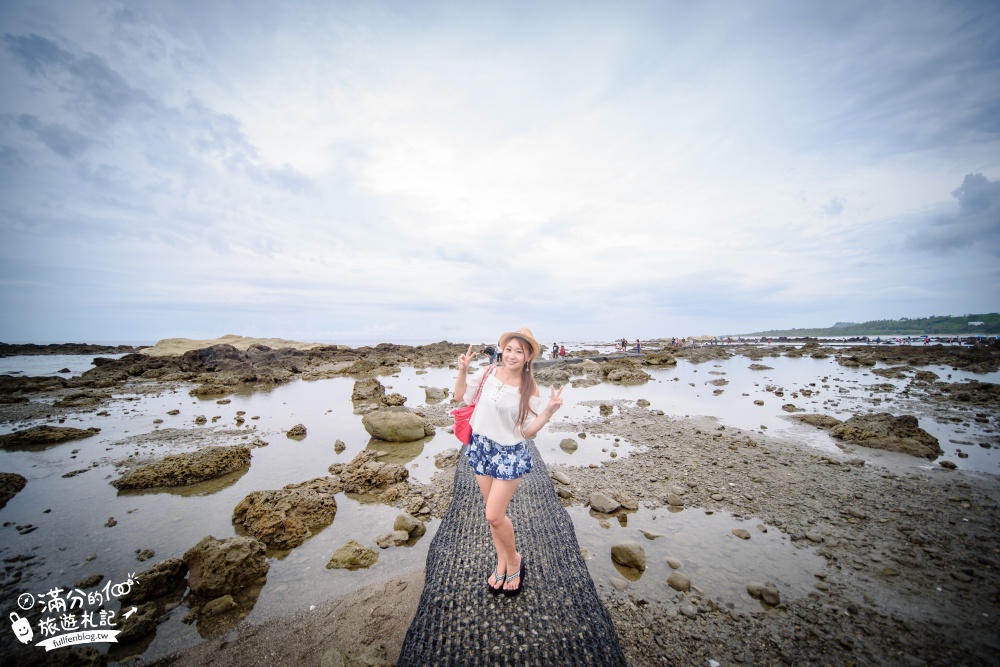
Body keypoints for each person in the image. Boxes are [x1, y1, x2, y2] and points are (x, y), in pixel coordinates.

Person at [454, 327, 564, 596]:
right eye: (510, 349)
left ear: (528, 357)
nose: (512, 355)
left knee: (493, 514)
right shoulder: (488, 372)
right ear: (503, 350)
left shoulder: (530, 387)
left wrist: (548, 412)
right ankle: (501, 561)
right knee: (495, 518)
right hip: (481, 447)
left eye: (520, 351)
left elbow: (527, 431)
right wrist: (463, 370)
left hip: (508, 453)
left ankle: (514, 559)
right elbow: (460, 398)